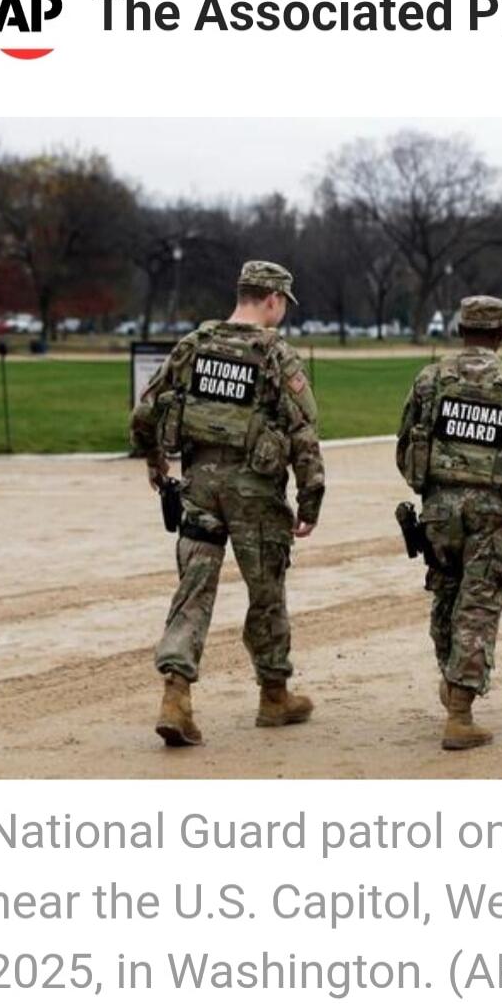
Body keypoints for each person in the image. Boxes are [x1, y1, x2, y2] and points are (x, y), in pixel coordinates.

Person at [130, 260, 325, 748]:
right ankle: (274, 695)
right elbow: (303, 433)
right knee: (266, 592)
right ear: (273, 300)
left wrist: (157, 464)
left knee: (193, 590)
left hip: (199, 485)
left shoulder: (195, 345)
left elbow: (145, 410)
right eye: (283, 305)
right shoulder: (276, 353)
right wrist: (310, 499)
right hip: (255, 493)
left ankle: (176, 696)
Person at [396, 295, 502, 751]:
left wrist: (428, 488)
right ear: (501, 333)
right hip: (489, 512)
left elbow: (406, 441)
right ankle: (460, 711)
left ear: (460, 330)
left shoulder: (431, 379)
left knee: (446, 597)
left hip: (440, 510)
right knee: (479, 605)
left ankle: (452, 682)